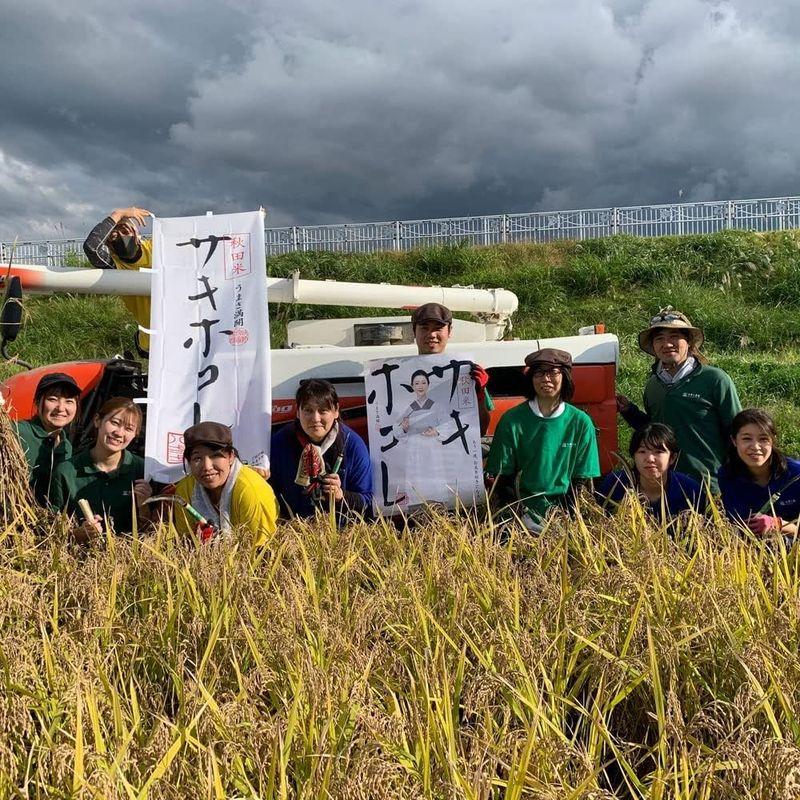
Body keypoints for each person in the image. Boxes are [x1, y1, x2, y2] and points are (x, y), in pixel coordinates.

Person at [617, 308, 741, 492]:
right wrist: (630, 412)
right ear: (653, 346)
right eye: (659, 338)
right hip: (668, 489)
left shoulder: (715, 379)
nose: (667, 344)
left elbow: (738, 431)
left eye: (674, 336)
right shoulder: (653, 386)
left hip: (709, 487)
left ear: (689, 341)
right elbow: (657, 431)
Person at [485, 348, 600, 527]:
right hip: (521, 514)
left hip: (565, 514)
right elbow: (503, 477)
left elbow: (582, 481)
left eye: (553, 372)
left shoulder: (580, 423)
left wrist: (566, 518)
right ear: (530, 378)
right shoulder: (512, 421)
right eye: (539, 372)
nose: (546, 378)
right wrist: (519, 516)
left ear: (565, 376)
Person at [50, 397, 152, 541]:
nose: (119, 433)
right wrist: (78, 534)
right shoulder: (66, 471)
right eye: (115, 423)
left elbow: (152, 531)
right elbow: (51, 530)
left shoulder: (144, 471)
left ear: (135, 434)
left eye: (129, 428)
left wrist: (144, 506)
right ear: (97, 421)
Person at [269, 379, 372, 521]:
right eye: (308, 411)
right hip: (293, 531)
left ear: (336, 410)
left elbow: (368, 501)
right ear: (298, 412)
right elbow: (269, 493)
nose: (315, 418)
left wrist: (341, 496)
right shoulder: (280, 442)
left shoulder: (353, 445)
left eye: (323, 411)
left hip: (340, 534)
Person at [172, 421, 278, 546]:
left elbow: (261, 551)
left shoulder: (250, 491)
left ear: (231, 456)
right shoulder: (185, 490)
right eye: (197, 458)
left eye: (215, 456)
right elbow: (185, 544)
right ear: (188, 462)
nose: (207, 467)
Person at [596, 423, 705, 522]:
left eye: (658, 452)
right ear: (634, 456)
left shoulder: (690, 490)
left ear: (672, 458)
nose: (650, 459)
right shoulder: (615, 484)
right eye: (642, 451)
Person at [718, 408, 800, 539]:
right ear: (734, 441)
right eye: (746, 439)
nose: (755, 446)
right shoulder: (727, 475)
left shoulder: (796, 474)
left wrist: (778, 524)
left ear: (773, 441)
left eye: (763, 439)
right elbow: (740, 526)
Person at [411, 302, 491, 434]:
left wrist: (480, 394)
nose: (431, 334)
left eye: (438, 328)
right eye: (424, 328)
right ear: (414, 331)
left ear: (449, 332)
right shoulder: (398, 376)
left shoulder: (469, 374)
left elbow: (482, 429)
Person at [83, 206, 153, 353]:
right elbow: (92, 247)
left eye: (125, 231)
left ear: (137, 234)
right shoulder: (114, 266)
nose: (121, 237)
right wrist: (118, 214)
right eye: (114, 236)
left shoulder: (157, 248)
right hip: (150, 342)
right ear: (109, 246)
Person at [15, 372, 81, 505]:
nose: (61, 408)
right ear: (38, 402)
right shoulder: (17, 431)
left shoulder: (66, 446)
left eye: (69, 401)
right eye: (52, 399)